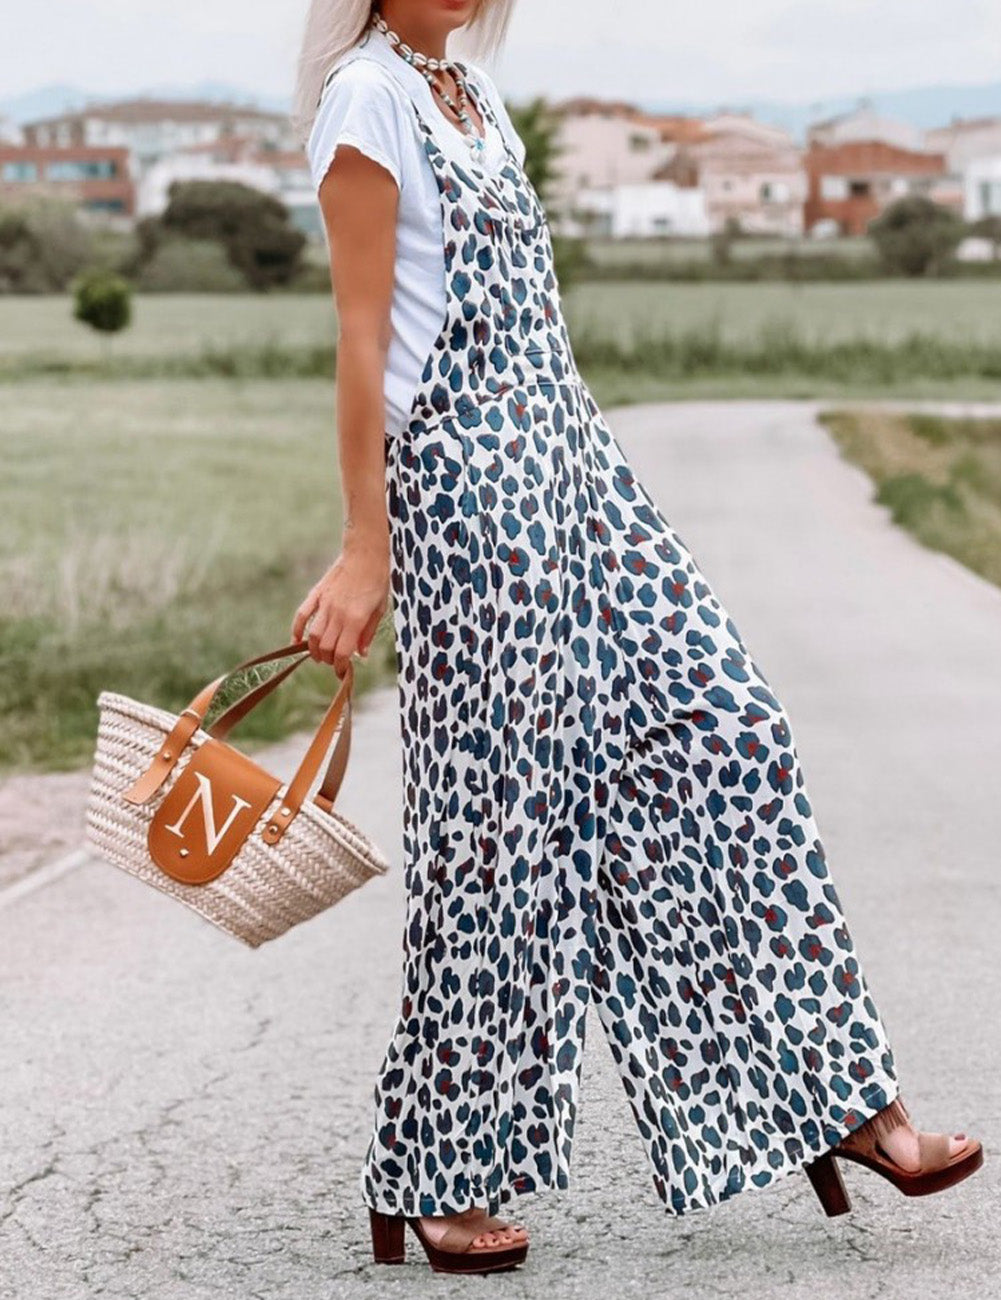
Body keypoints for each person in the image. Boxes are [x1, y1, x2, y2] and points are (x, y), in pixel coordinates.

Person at [289, 0, 983, 1276]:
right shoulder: (366, 101)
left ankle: (839, 1093)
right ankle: (437, 1165)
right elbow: (361, 338)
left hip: (574, 469)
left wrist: (576, 465)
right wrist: (363, 543)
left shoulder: (470, 97)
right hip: (465, 493)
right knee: (498, 829)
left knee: (729, 728)